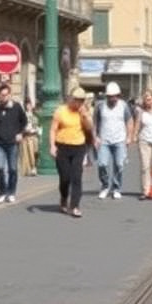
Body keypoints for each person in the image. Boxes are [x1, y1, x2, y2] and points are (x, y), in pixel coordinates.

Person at [50, 87, 93, 217]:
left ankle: (75, 206)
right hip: (62, 147)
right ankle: (64, 198)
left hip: (79, 147)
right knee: (65, 178)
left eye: (81, 100)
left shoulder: (84, 112)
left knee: (77, 177)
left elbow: (90, 128)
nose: (78, 103)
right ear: (71, 99)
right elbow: (53, 130)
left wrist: (85, 116)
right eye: (76, 100)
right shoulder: (60, 111)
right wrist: (52, 146)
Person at [0, 84, 28, 204]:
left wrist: (21, 133)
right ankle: (2, 191)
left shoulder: (17, 107)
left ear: (10, 95)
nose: (3, 97)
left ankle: (11, 192)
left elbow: (24, 121)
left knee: (12, 169)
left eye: (6, 95)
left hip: (13, 143)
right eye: (1, 95)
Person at [95, 81, 134, 200]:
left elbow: (129, 121)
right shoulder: (100, 106)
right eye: (110, 96)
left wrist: (129, 137)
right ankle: (105, 186)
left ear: (118, 95)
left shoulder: (123, 106)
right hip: (104, 140)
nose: (112, 98)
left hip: (119, 140)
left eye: (114, 96)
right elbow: (95, 123)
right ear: (106, 96)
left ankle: (116, 188)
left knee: (119, 164)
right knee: (102, 164)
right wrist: (95, 137)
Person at [18, 98, 40, 177]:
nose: (29, 106)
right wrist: (24, 130)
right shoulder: (24, 115)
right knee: (29, 153)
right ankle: (32, 168)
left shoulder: (35, 115)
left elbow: (38, 124)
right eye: (27, 105)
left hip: (35, 135)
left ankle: (35, 167)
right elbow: (21, 126)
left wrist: (38, 130)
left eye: (30, 105)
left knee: (36, 152)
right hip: (27, 136)